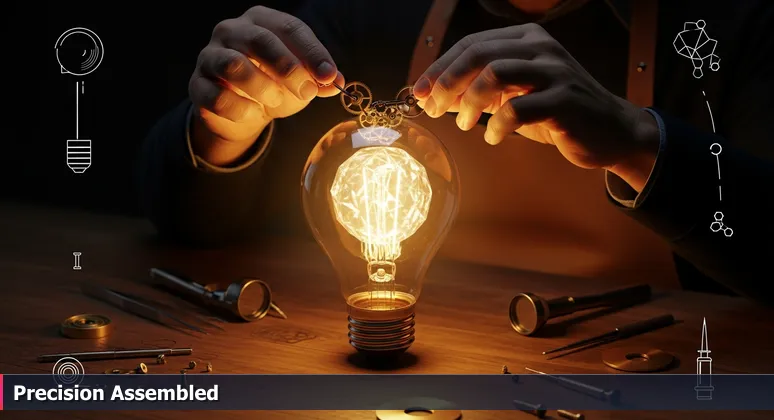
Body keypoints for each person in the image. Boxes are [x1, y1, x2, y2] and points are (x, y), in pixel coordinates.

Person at [137, 0, 774, 304]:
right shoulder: (367, 15)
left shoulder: (729, 30)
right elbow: (181, 219)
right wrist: (224, 131)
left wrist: (638, 141)